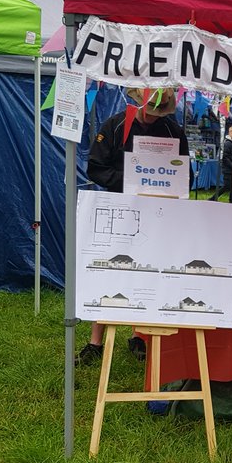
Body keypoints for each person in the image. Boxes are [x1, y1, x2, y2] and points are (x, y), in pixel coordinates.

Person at [78, 87, 189, 365]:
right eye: (149, 111)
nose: (152, 117)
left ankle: (139, 336)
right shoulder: (115, 125)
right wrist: (131, 180)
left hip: (157, 214)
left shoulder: (173, 130)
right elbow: (94, 167)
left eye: (157, 113)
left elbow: (185, 173)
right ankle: (95, 342)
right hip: (118, 210)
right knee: (109, 271)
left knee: (148, 273)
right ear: (139, 103)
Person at [209, 124, 232, 202]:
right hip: (227, 168)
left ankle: (231, 201)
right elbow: (225, 157)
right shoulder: (227, 143)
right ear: (229, 133)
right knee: (227, 186)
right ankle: (213, 198)